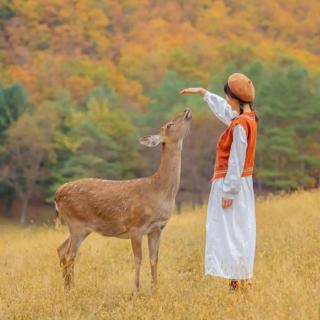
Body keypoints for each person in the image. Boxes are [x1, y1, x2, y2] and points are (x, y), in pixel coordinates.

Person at [180, 73, 258, 291]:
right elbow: (226, 112)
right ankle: (240, 280)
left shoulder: (241, 124)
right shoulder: (247, 118)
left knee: (230, 232)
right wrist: (205, 94)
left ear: (234, 98)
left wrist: (228, 192)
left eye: (227, 97)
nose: (227, 102)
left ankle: (239, 282)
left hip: (232, 185)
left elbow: (236, 160)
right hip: (239, 185)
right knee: (238, 231)